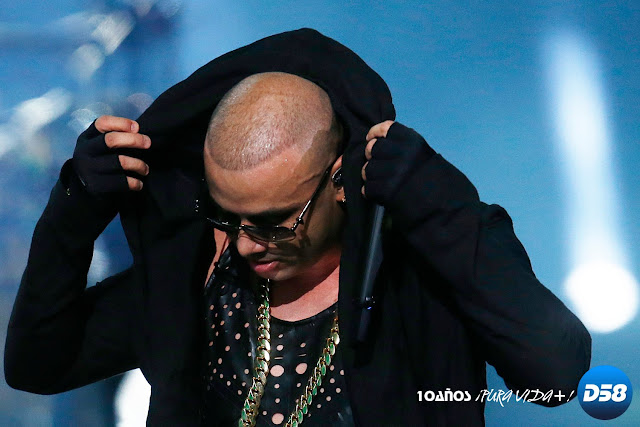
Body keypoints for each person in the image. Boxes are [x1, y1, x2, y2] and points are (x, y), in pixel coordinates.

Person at [4, 28, 591, 426]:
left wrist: (445, 210)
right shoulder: (199, 273)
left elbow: (556, 377)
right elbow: (36, 365)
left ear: (340, 179)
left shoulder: (425, 261)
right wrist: (74, 211)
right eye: (226, 214)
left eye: (273, 221)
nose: (243, 243)